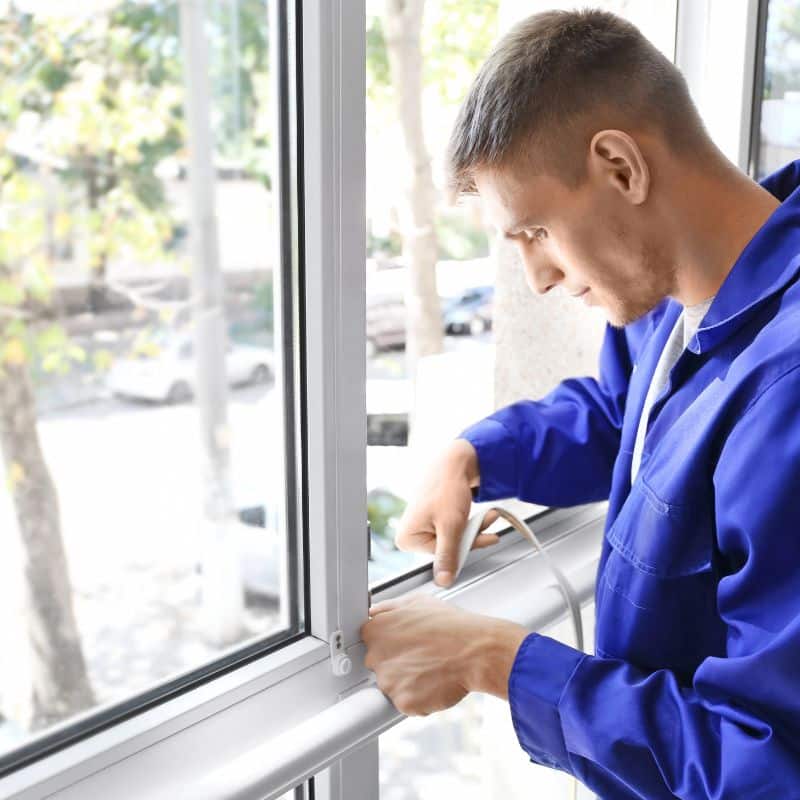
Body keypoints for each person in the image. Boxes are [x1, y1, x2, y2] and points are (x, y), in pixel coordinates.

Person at [360, 8, 800, 799]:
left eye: (536, 231)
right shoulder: (678, 297)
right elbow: (624, 419)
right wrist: (477, 455)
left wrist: (492, 660)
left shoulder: (789, 394)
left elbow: (766, 770)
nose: (538, 277)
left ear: (621, 168)